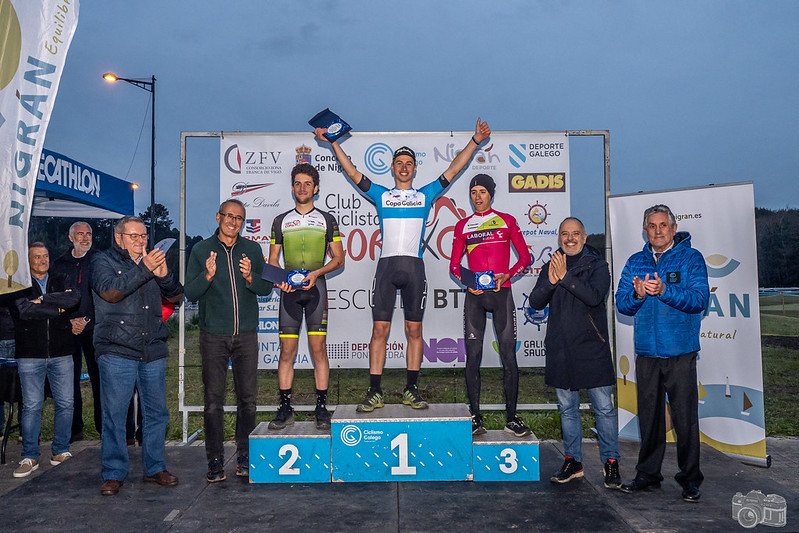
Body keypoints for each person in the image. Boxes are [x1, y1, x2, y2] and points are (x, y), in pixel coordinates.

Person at [315, 117, 491, 412]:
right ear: (392, 167)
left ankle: (411, 388)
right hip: (386, 268)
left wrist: (475, 141)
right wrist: (333, 143)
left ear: (415, 168)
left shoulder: (425, 195)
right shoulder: (381, 195)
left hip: (414, 269)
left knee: (414, 331)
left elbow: (454, 169)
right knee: (379, 331)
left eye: (409, 163)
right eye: (399, 163)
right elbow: (353, 172)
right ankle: (374, 391)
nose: (404, 167)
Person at [615, 204, 709, 503]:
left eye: (663, 225)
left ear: (673, 228)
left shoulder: (691, 258)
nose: (657, 231)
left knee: (685, 419)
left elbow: (699, 299)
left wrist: (665, 290)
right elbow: (622, 304)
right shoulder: (635, 261)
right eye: (652, 226)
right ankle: (648, 474)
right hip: (647, 352)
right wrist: (638, 294)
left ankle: (690, 479)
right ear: (645, 230)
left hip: (680, 351)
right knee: (650, 417)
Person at [91, 216, 183, 495]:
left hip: (152, 348)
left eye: (143, 236)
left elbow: (177, 297)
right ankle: (113, 472)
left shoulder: (152, 261)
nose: (140, 241)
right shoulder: (102, 260)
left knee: (156, 413)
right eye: (134, 236)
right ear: (118, 237)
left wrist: (164, 276)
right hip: (116, 349)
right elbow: (111, 292)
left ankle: (155, 467)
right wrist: (145, 268)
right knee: (115, 414)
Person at [528, 217, 621, 488]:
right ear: (559, 237)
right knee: (567, 409)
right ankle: (573, 461)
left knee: (604, 409)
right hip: (561, 349)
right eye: (565, 234)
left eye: (575, 233)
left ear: (584, 237)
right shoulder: (552, 264)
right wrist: (551, 281)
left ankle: (611, 462)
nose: (570, 239)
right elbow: (535, 302)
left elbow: (594, 297)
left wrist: (565, 278)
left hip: (593, 348)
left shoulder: (598, 265)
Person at [184, 199, 274, 482]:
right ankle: (215, 462)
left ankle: (245, 458)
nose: (233, 222)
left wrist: (250, 277)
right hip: (214, 336)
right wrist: (207, 275)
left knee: (248, 401)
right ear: (218, 217)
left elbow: (266, 288)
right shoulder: (201, 250)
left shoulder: (252, 249)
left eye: (239, 218)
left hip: (246, 334)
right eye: (229, 216)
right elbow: (191, 293)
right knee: (213, 402)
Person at [449, 174, 532, 437]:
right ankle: (475, 417)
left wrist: (508, 275)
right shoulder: (463, 226)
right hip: (475, 297)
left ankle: (512, 418)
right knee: (473, 358)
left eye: (482, 191)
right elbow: (454, 266)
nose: (478, 196)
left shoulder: (507, 221)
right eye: (473, 192)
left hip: (501, 295)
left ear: (491, 194)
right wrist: (467, 282)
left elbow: (526, 258)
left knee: (509, 357)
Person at [267, 163, 345, 431]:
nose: (302, 188)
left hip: (316, 289)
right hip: (289, 293)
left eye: (307, 184)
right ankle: (285, 408)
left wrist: (317, 273)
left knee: (318, 349)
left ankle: (321, 408)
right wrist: (280, 280)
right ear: (292, 188)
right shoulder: (280, 220)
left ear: (316, 188)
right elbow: (273, 259)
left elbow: (339, 258)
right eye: (298, 184)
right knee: (286, 351)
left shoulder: (327, 219)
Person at [11, 243, 79, 478]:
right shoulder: (18, 284)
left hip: (62, 352)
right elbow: (24, 311)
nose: (42, 260)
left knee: (66, 403)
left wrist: (44, 299)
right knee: (32, 406)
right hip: (30, 354)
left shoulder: (61, 278)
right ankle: (29, 456)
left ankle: (60, 450)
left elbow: (73, 299)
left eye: (46, 256)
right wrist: (57, 309)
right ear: (28, 261)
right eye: (37, 257)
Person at [50, 221, 100, 442]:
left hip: (95, 328)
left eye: (88, 233)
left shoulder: (99, 261)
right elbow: (53, 297)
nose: (85, 238)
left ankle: (104, 429)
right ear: (70, 238)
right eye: (80, 234)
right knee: (68, 381)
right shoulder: (59, 264)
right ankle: (73, 430)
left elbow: (104, 295)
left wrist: (87, 319)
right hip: (67, 328)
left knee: (100, 380)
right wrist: (69, 321)